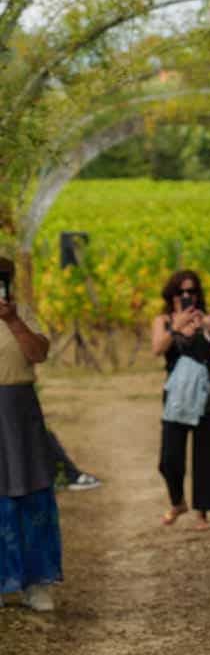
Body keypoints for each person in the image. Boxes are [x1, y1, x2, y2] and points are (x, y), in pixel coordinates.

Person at [0, 255, 62, 611]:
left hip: (20, 412)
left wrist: (12, 321)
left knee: (31, 489)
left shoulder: (23, 314)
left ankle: (37, 581)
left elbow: (38, 354)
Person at [151, 270, 210, 529]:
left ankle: (202, 511)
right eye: (181, 292)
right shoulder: (163, 320)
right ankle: (178, 501)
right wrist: (176, 328)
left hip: (206, 393)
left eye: (192, 292)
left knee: (208, 453)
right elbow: (157, 349)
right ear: (171, 295)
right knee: (169, 457)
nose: (187, 297)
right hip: (177, 394)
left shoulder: (207, 319)